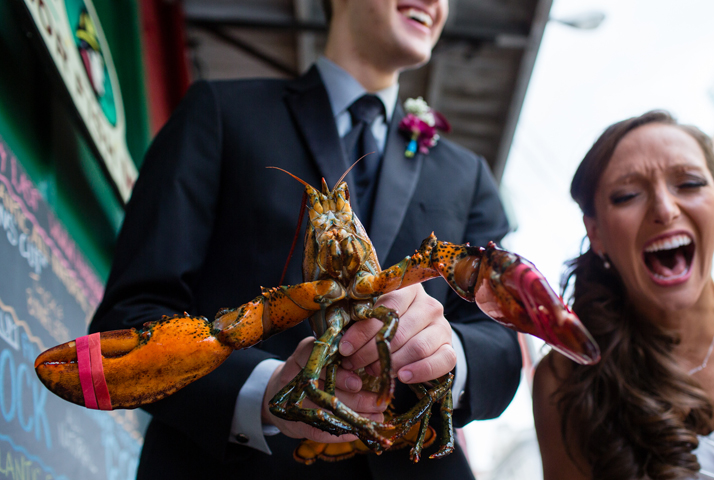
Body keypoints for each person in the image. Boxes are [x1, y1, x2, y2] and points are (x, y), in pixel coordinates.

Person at [89, 0, 522, 479]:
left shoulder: (469, 172)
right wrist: (263, 391)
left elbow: (502, 346)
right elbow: (132, 313)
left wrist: (448, 353)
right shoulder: (217, 110)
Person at [532, 110, 714, 480]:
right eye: (627, 195)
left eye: (689, 183)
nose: (664, 209)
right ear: (595, 233)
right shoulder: (563, 379)